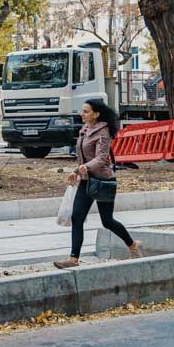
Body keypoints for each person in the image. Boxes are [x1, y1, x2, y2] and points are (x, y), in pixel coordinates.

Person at [54, 98, 140, 268]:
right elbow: (82, 156)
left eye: (86, 111)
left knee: (107, 221)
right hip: (86, 180)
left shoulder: (103, 132)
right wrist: (76, 171)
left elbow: (102, 158)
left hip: (103, 180)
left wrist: (84, 167)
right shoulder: (85, 129)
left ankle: (133, 245)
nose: (82, 114)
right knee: (77, 217)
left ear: (96, 114)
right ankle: (73, 259)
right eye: (82, 110)